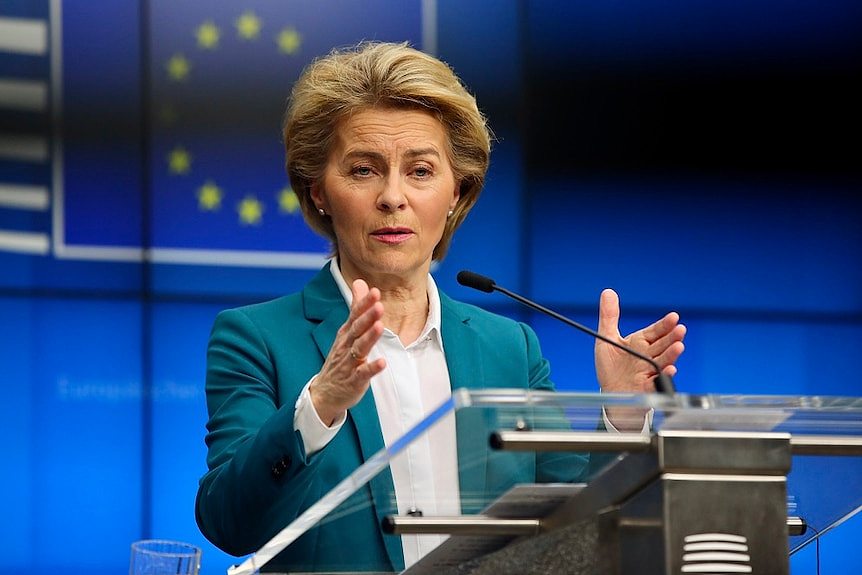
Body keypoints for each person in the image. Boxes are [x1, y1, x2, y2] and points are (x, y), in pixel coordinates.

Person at [195, 42, 686, 573]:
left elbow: (573, 532)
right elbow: (229, 522)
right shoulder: (255, 338)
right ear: (318, 192)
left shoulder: (510, 349)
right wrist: (320, 405)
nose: (392, 196)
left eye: (421, 171)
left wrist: (618, 418)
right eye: (363, 170)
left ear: (458, 191)